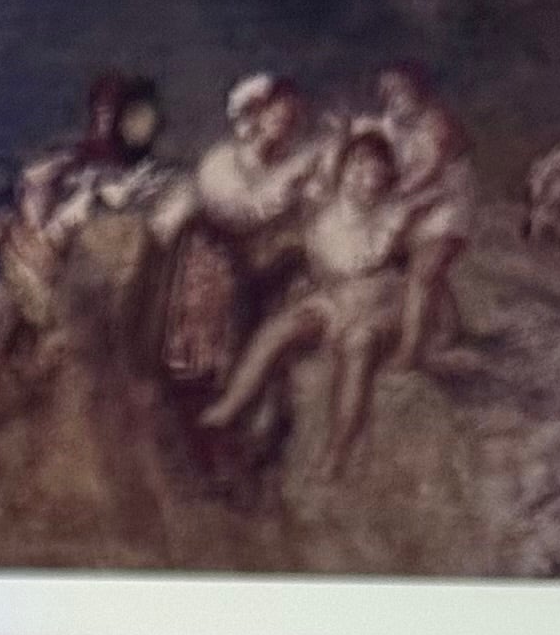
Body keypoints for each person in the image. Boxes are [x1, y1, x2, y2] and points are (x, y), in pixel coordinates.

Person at [202, 122, 414, 473]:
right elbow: (313, 242)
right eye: (355, 166)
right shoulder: (326, 209)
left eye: (372, 170)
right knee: (280, 329)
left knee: (358, 348)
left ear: (387, 176)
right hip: (333, 299)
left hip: (376, 304)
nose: (361, 176)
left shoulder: (394, 214)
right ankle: (230, 406)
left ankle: (337, 452)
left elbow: (368, 260)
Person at [148, 73, 332, 444]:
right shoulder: (224, 159)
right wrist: (285, 193)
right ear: (258, 116)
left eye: (291, 121)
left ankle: (251, 416)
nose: (282, 127)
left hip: (258, 266)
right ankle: (196, 410)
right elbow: (235, 212)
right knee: (211, 309)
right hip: (210, 254)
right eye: (276, 117)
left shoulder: (291, 167)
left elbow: (308, 213)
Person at [0, 72, 165, 379]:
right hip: (41, 267)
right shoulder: (68, 162)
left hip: (96, 281)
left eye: (114, 112)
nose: (106, 120)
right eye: (102, 111)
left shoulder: (144, 178)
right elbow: (29, 190)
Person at [359, 61, 473, 365]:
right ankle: (452, 328)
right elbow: (367, 143)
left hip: (447, 203)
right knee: (412, 265)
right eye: (386, 91)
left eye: (399, 89)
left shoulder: (437, 119)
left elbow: (433, 168)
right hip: (415, 206)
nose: (392, 96)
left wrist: (393, 193)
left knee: (423, 273)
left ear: (417, 88)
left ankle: (410, 353)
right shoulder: (390, 124)